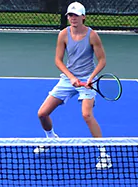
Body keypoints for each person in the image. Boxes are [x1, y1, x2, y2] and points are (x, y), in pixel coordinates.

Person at [35, 2, 112, 170]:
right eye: (70, 15)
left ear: (83, 17)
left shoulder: (92, 36)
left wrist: (91, 79)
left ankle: (104, 154)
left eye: (76, 15)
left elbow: (102, 60)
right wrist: (70, 78)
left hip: (87, 79)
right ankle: (51, 138)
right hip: (68, 79)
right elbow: (57, 60)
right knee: (42, 113)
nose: (73, 18)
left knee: (86, 115)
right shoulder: (63, 34)